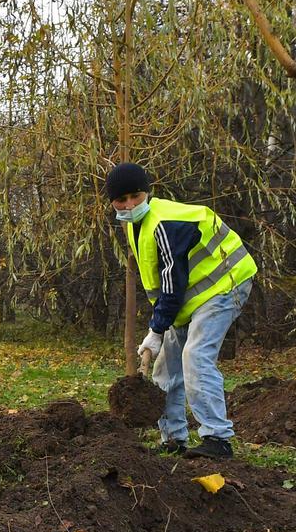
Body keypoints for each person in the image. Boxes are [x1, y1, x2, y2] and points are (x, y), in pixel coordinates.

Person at [105, 162, 257, 459]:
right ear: (112, 202)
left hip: (225, 285)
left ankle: (218, 439)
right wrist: (160, 328)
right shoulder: (137, 225)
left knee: (195, 355)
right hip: (192, 300)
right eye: (121, 200)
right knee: (164, 367)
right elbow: (164, 284)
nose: (130, 204)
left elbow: (172, 283)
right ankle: (173, 438)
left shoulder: (165, 223)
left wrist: (157, 329)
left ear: (146, 192)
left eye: (135, 196)